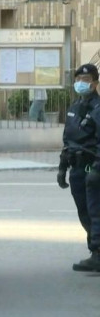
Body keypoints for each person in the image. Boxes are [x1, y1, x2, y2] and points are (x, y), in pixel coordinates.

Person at [57, 63, 100, 271]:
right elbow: (68, 139)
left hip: (91, 167)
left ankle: (98, 253)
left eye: (85, 81)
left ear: (95, 83)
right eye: (78, 80)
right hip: (76, 167)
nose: (81, 84)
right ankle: (95, 251)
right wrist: (61, 167)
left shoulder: (98, 108)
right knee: (84, 212)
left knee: (95, 211)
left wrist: (97, 168)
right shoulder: (74, 107)